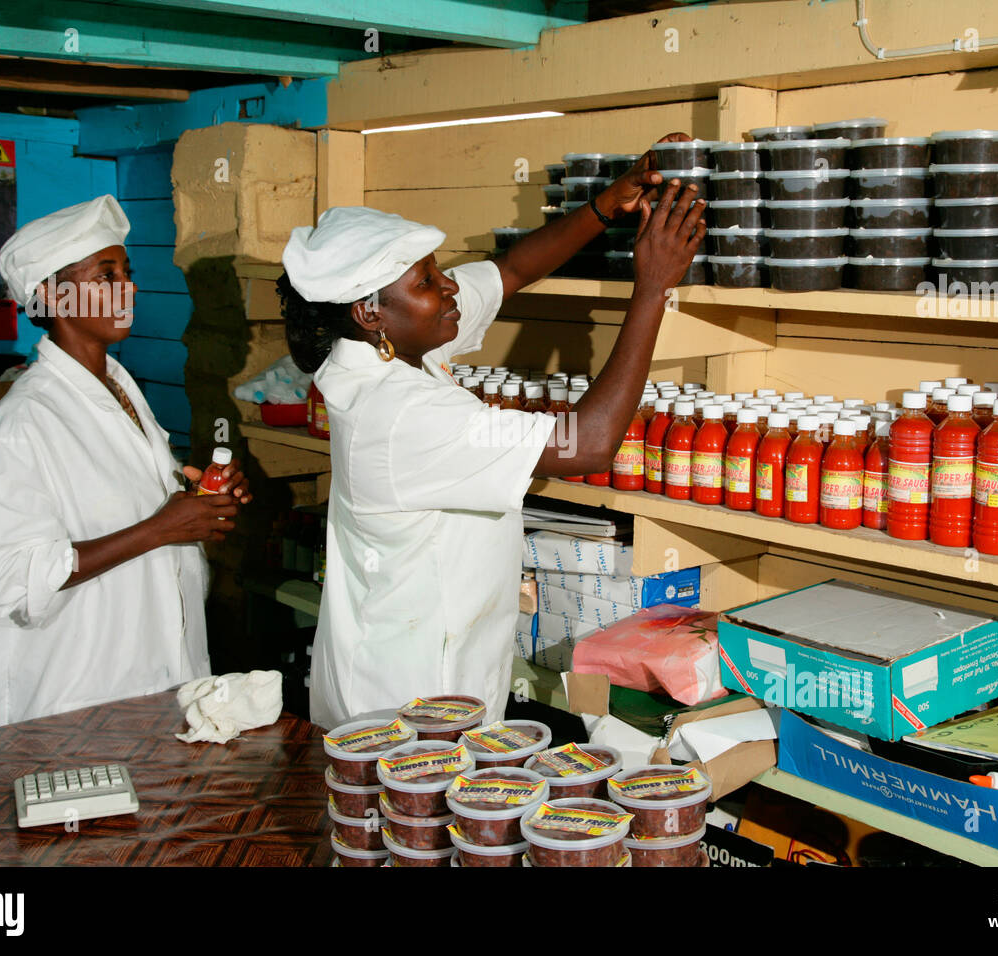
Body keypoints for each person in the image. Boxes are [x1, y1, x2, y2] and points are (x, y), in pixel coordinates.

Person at [278, 135, 705, 730]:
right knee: (413, 819)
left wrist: (607, 204)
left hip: (422, 671)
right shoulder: (401, 414)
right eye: (427, 282)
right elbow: (588, 443)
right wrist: (653, 289)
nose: (449, 286)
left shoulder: (393, 351)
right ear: (369, 312)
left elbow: (510, 269)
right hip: (406, 703)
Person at [0, 195, 252, 733]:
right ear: (51, 295)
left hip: (153, 675)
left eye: (128, 271)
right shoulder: (26, 421)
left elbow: (129, 506)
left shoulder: (117, 389)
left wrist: (198, 503)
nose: (129, 288)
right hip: (76, 694)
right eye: (105, 275)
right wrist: (159, 529)